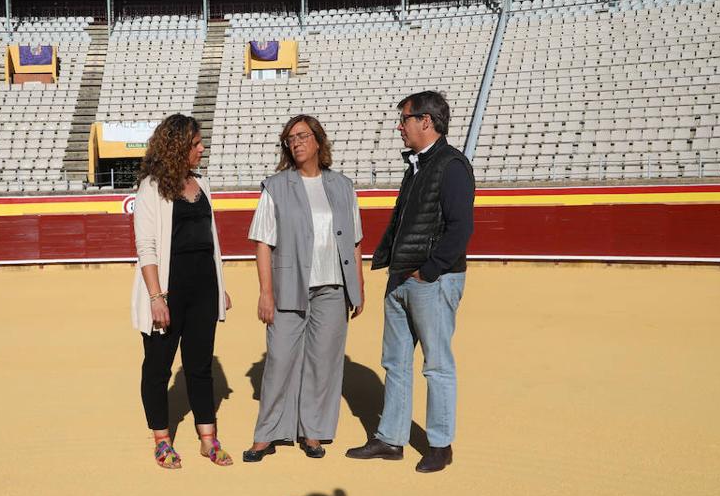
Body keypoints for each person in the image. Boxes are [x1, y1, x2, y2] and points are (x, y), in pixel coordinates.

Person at [346, 91, 475, 473]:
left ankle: (440, 444)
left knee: (436, 364)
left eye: (405, 119)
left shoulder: (452, 165)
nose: (399, 126)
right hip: (403, 275)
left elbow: (460, 228)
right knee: (396, 362)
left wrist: (430, 269)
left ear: (427, 121)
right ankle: (391, 438)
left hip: (431, 280)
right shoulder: (417, 165)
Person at [244, 115, 364, 463]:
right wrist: (265, 292)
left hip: (333, 288)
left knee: (323, 363)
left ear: (317, 141)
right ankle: (266, 434)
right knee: (279, 360)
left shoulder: (343, 186)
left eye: (302, 136)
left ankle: (312, 432)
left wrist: (357, 285)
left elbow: (355, 241)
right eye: (290, 139)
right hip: (288, 287)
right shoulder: (276, 187)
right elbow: (263, 243)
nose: (295, 143)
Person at [131, 113, 233, 469]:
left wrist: (221, 286)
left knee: (200, 365)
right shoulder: (151, 188)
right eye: (195, 144)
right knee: (158, 368)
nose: (202, 149)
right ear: (177, 147)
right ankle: (162, 439)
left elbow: (212, 242)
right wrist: (157, 297)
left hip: (204, 287)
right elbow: (146, 246)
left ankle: (208, 438)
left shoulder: (202, 185)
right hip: (169, 291)